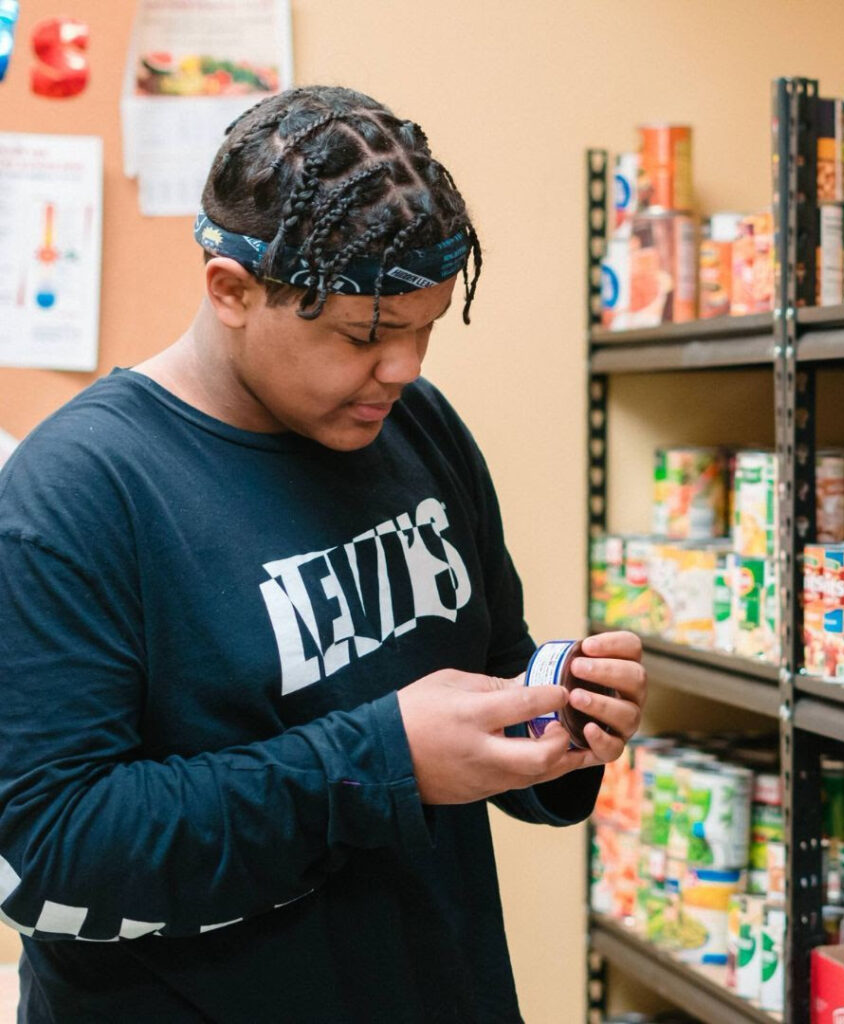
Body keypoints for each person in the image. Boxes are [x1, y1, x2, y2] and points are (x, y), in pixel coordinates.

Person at [0, 85, 646, 1022]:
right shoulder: (79, 492)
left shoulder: (413, 427)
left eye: (424, 328)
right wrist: (379, 759)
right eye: (366, 335)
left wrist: (560, 716)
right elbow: (47, 851)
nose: (406, 368)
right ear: (231, 291)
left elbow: (484, 675)